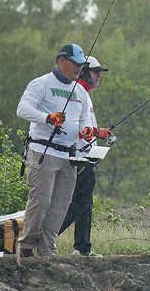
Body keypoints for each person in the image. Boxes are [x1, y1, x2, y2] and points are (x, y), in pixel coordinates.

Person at [16, 44, 94, 257]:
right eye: (76, 64)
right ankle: (26, 247)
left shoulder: (80, 91)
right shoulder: (41, 84)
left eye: (81, 65)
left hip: (69, 156)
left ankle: (47, 249)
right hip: (43, 153)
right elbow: (22, 109)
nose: (79, 69)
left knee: (59, 206)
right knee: (40, 202)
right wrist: (48, 118)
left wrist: (86, 130)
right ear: (62, 61)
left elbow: (84, 118)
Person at [58, 56, 112, 257]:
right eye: (95, 72)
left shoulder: (84, 93)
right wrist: (99, 133)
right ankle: (46, 237)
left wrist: (98, 132)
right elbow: (77, 128)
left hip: (87, 157)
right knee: (79, 203)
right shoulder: (77, 92)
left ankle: (82, 247)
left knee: (86, 203)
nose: (98, 76)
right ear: (84, 72)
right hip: (79, 159)